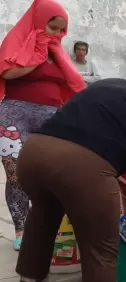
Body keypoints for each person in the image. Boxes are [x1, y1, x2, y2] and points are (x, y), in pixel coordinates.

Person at [15, 64, 126, 282]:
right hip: (81, 168)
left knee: (44, 211)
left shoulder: (110, 85)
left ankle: (30, 275)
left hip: (33, 154)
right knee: (102, 248)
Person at [0, 0, 85, 251]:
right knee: (16, 175)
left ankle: (47, 227)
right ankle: (21, 229)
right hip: (13, 117)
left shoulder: (57, 49)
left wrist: (54, 50)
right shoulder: (17, 41)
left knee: (50, 175)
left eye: (61, 30)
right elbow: (6, 71)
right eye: (53, 27)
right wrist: (38, 53)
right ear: (39, 21)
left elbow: (73, 82)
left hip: (51, 119)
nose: (58, 34)